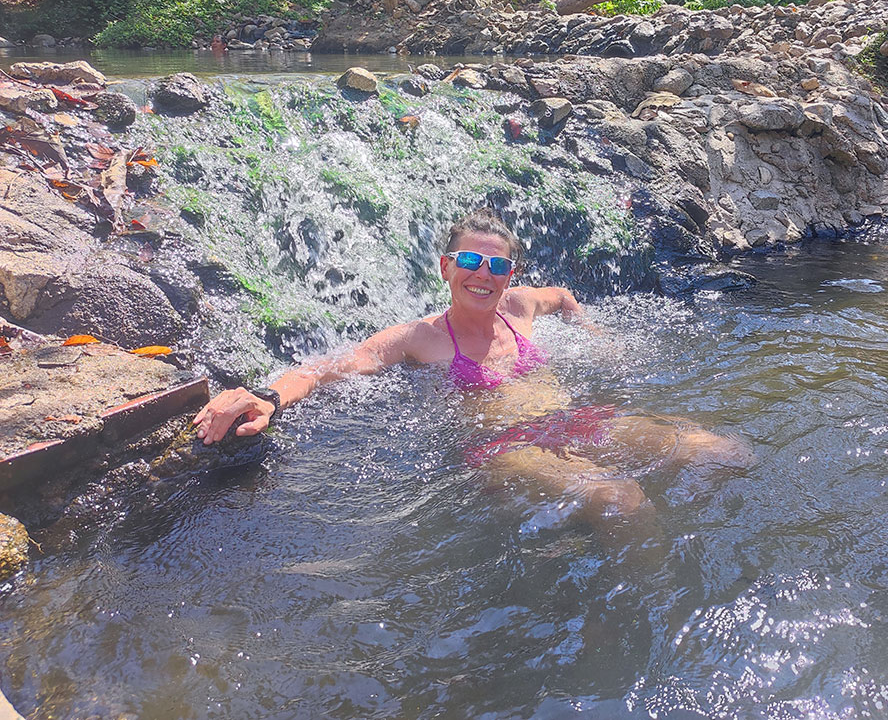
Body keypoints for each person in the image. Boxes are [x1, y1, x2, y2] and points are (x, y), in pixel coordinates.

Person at [193, 208, 753, 533]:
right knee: (621, 500)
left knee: (722, 451)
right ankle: (654, 610)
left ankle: (696, 544)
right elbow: (324, 369)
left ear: (510, 273)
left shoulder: (520, 305)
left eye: (496, 265)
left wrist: (591, 330)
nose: (482, 274)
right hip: (504, 447)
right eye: (469, 261)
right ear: (446, 267)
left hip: (575, 420)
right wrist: (266, 395)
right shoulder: (419, 338)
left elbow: (561, 295)